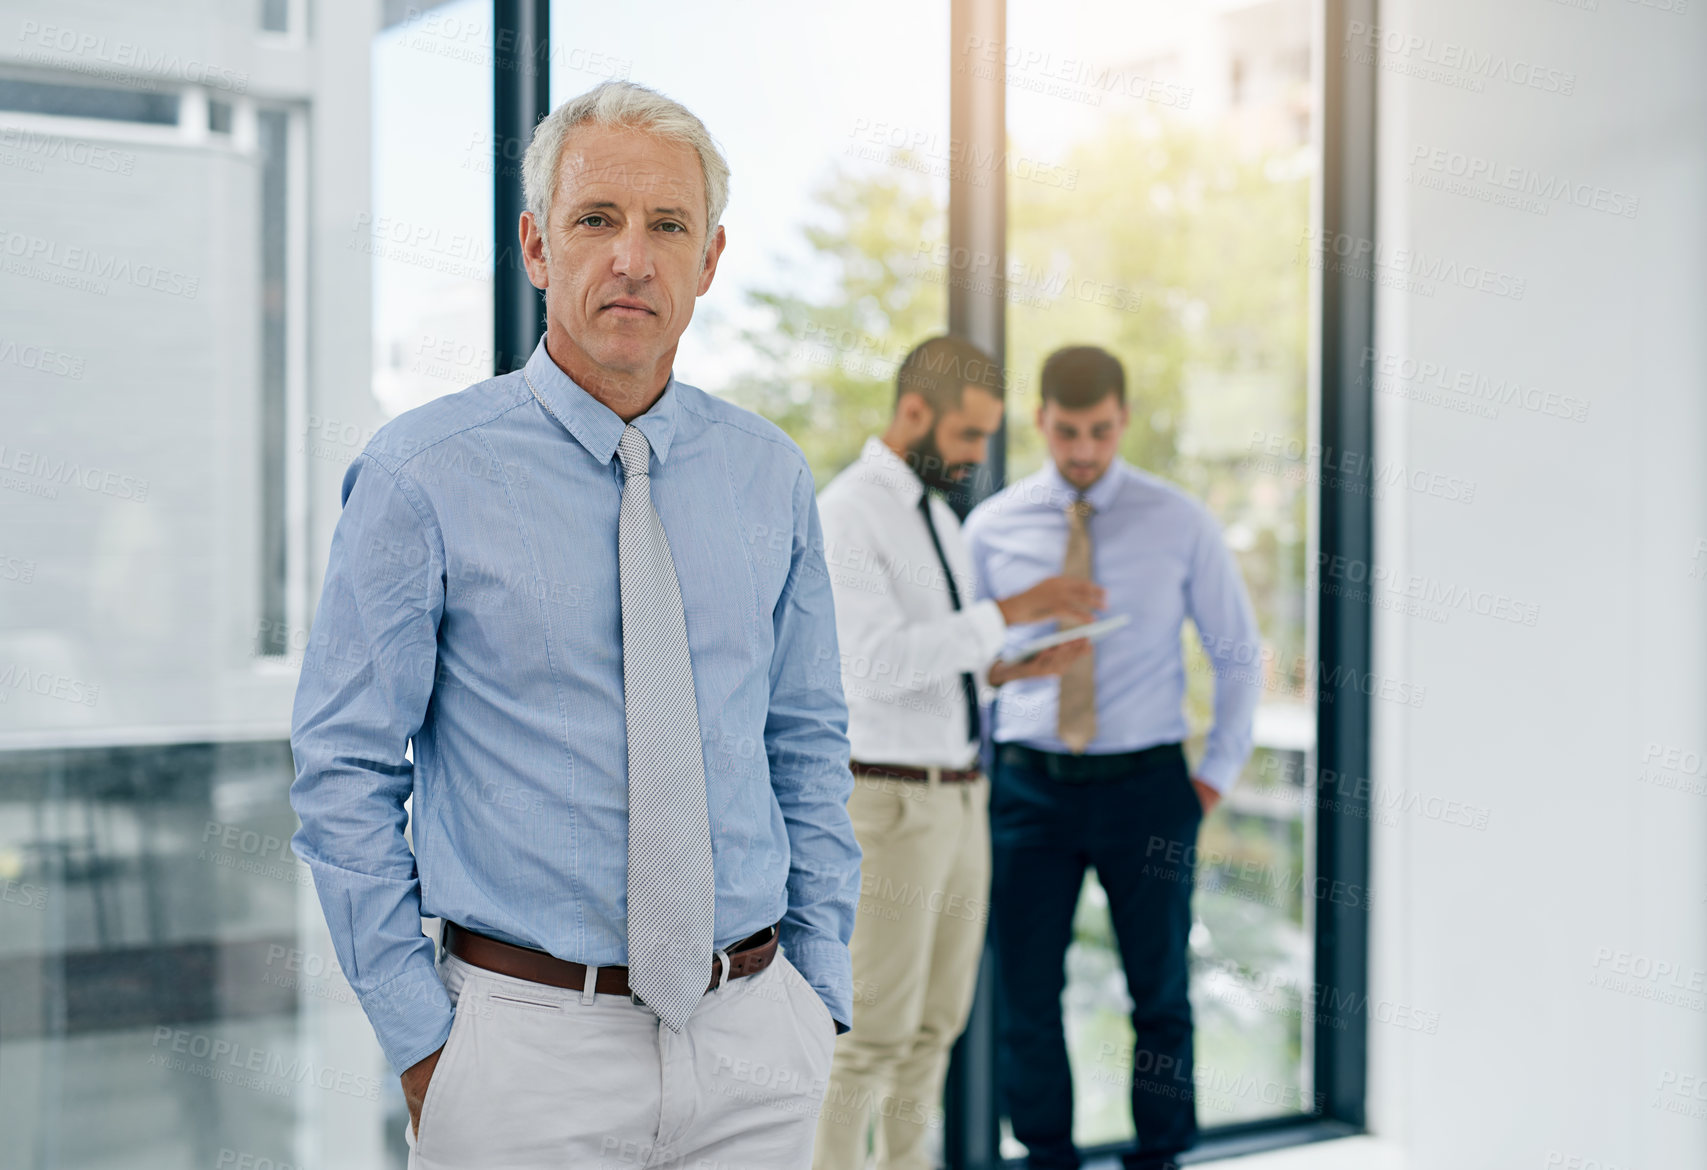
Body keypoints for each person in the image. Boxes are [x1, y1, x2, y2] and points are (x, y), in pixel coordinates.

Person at [289, 80, 861, 1170]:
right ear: (537, 246)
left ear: (711, 259)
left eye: (668, 226)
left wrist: (817, 993)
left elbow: (806, 745)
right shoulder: (422, 478)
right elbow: (344, 770)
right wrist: (427, 1045)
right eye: (597, 220)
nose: (632, 259)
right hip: (523, 1054)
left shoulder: (769, 477)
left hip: (753, 1039)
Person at [963, 346, 1263, 1170]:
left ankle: (1162, 1155)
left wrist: (1211, 779)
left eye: (1098, 431)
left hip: (1149, 787)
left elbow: (1237, 652)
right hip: (1026, 789)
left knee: (1159, 992)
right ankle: (1046, 1155)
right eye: (1067, 432)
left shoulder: (1180, 521)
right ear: (1040, 422)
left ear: (1122, 419)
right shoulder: (991, 528)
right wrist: (981, 776)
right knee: (1025, 996)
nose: (1084, 450)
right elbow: (965, 665)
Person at [811, 337, 1099, 1170]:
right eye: (970, 436)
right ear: (913, 413)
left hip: (962, 796)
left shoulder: (940, 519)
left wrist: (1006, 668)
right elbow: (873, 663)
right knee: (870, 1035)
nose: (978, 456)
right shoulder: (847, 512)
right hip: (891, 803)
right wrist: (1011, 614)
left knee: (937, 1027)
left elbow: (940, 660)